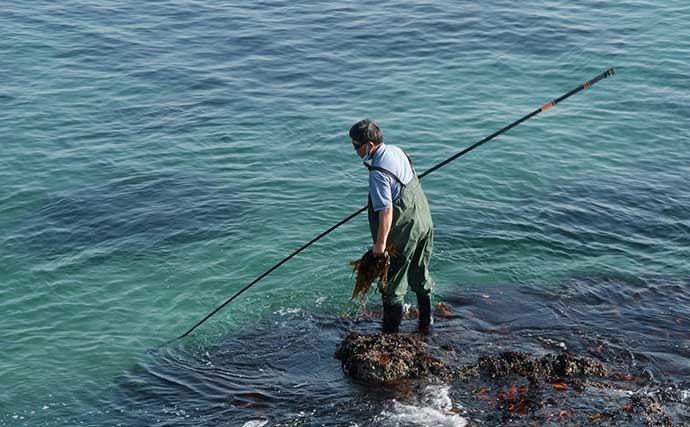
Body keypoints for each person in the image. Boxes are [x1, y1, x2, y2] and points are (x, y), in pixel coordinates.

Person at [348, 119, 434, 333]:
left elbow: (386, 212)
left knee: (393, 286)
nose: (354, 150)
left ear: (369, 145)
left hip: (405, 230)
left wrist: (380, 245)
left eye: (355, 146)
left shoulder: (378, 172)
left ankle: (390, 336)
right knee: (420, 273)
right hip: (424, 222)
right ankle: (427, 324)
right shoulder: (396, 151)